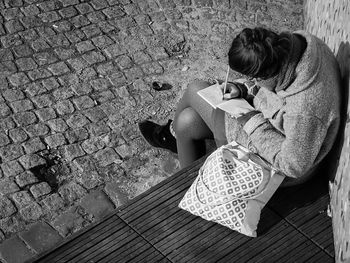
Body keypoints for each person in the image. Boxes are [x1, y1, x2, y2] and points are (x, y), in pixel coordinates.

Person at [139, 27, 341, 185]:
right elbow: (270, 90)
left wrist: (251, 120)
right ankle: (191, 171)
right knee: (187, 122)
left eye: (251, 77)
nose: (249, 79)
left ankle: (173, 137)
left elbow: (293, 165)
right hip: (270, 126)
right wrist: (244, 88)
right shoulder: (293, 46)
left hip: (279, 165)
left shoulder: (305, 109)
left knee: (195, 89)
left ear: (265, 74)